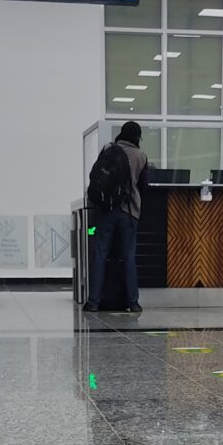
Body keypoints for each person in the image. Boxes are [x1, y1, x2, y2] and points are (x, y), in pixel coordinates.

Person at [84, 121, 148, 313]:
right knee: (128, 256)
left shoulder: (108, 149)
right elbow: (144, 185)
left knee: (100, 254)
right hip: (129, 211)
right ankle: (133, 302)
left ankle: (93, 302)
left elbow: (96, 176)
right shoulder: (141, 156)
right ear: (136, 137)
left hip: (106, 209)